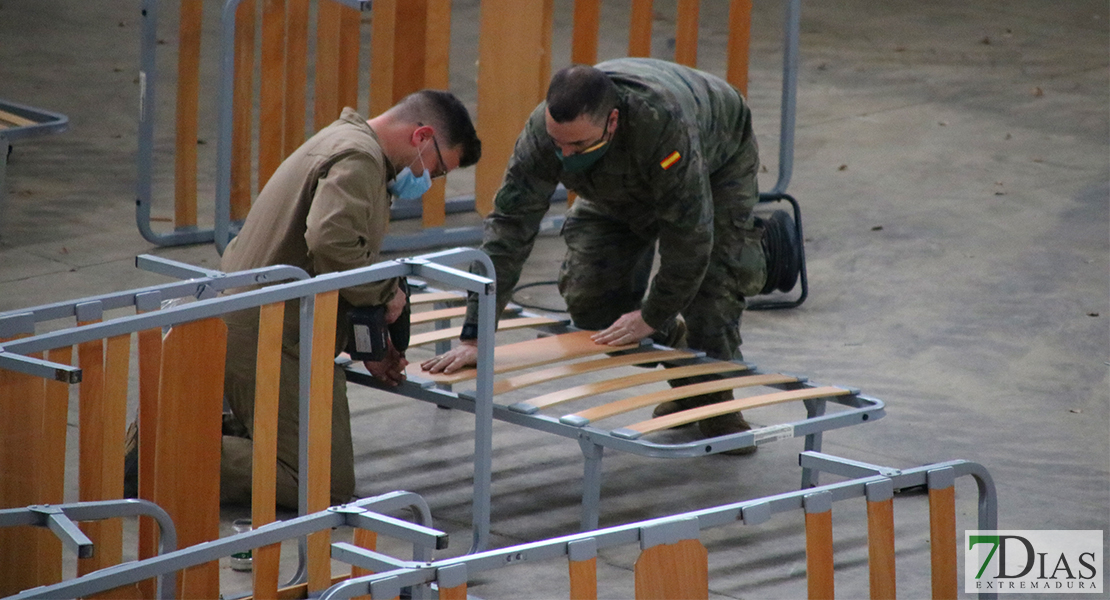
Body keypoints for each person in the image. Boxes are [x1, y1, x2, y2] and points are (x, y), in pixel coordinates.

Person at [420, 58, 798, 448]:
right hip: (613, 184)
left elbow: (690, 237)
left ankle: (715, 401)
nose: (565, 155)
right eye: (558, 144)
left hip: (715, 163)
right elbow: (508, 230)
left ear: (612, 121)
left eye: (577, 145)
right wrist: (476, 335)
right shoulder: (543, 134)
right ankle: (682, 356)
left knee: (715, 287)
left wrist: (652, 314)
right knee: (593, 306)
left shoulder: (662, 124)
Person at [214, 90, 481, 508]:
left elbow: (330, 259)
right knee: (317, 483)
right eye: (439, 169)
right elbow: (330, 241)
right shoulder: (359, 160)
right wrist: (385, 293)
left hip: (267, 321)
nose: (430, 181)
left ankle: (192, 429)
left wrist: (369, 343)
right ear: (422, 136)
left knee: (315, 467)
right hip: (270, 334)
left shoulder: (343, 140)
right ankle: (166, 451)